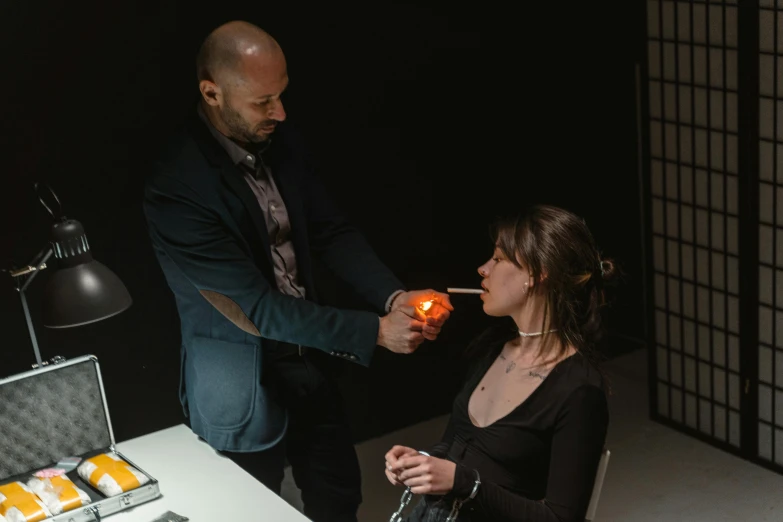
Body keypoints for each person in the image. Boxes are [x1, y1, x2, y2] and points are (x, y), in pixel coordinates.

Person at [142, 20, 452, 522]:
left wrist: (393, 297)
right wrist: (374, 331)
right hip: (241, 382)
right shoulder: (178, 185)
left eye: (281, 96)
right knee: (251, 513)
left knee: (338, 500)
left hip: (312, 365)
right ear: (211, 92)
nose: (280, 113)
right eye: (263, 102)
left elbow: (331, 230)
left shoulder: (280, 141)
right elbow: (256, 308)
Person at [385, 205, 616, 521]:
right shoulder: (492, 347)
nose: (483, 269)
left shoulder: (579, 389)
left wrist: (465, 484)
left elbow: (561, 518)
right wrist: (422, 462)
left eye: (498, 259)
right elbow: (455, 445)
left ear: (536, 274)